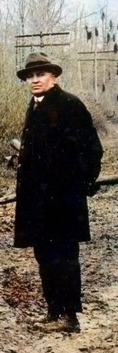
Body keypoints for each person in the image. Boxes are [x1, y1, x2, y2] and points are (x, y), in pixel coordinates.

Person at [13, 53, 104, 333]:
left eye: (40, 74)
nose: (35, 80)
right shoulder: (35, 106)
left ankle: (69, 317)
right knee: (44, 255)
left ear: (54, 76)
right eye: (30, 76)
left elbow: (92, 150)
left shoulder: (70, 105)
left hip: (63, 201)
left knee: (64, 256)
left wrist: (79, 184)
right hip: (38, 201)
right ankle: (54, 312)